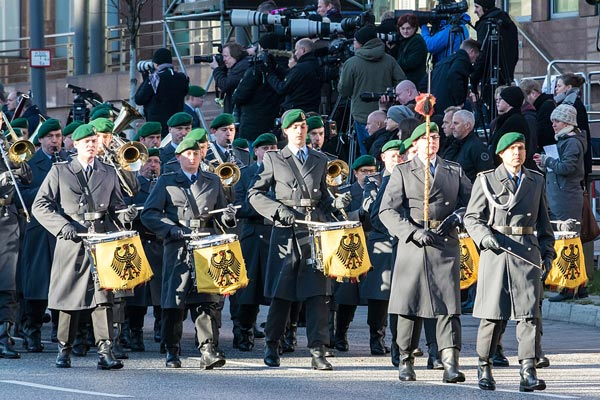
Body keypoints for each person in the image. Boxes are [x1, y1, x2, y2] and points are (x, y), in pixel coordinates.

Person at [32, 123, 138, 370]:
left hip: (100, 241)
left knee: (103, 298)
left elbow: (115, 208)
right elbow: (40, 205)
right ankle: (64, 349)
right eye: (86, 141)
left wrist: (126, 215)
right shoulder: (61, 171)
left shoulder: (109, 171)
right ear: (75, 144)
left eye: (94, 141)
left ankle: (105, 352)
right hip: (71, 240)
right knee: (69, 299)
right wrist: (62, 226)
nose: (91, 144)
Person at [248, 109, 345, 370]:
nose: (301, 131)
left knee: (318, 296)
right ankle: (272, 345)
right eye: (295, 127)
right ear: (286, 131)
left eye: (303, 126)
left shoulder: (320, 158)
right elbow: (255, 194)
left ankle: (318, 350)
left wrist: (337, 203)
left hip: (314, 231)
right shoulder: (275, 158)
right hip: (286, 232)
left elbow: (323, 196)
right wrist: (277, 211)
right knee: (282, 295)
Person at [379, 122, 472, 382]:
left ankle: (450, 362)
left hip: (444, 243)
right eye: (426, 138)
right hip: (415, 242)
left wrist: (459, 215)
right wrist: (411, 231)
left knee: (448, 307)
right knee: (409, 305)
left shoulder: (453, 170)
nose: (432, 141)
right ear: (415, 143)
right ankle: (406, 359)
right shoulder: (403, 171)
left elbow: (473, 202)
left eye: (435, 137)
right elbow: (387, 210)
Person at [464, 132, 555, 392]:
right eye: (512, 148)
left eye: (521, 148)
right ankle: (484, 365)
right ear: (501, 153)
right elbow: (472, 218)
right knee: (493, 315)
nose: (517, 153)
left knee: (529, 316)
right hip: (497, 252)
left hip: (526, 252)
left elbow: (544, 223)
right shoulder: (487, 180)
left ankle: (528, 370)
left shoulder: (535, 180)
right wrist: (484, 238)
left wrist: (548, 254)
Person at [141, 138, 237, 369]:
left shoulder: (213, 180)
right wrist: (171, 229)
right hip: (178, 246)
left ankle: (207, 350)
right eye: (187, 154)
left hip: (205, 246)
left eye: (196, 153)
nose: (192, 158)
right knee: (175, 301)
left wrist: (229, 216)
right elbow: (149, 214)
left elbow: (219, 215)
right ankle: (172, 350)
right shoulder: (166, 181)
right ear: (178, 157)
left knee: (206, 299)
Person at [19, 119, 69, 353]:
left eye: (58, 136)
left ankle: (62, 334)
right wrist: (47, 191)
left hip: (64, 229)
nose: (55, 141)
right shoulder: (30, 162)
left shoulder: (68, 161)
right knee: (37, 284)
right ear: (40, 140)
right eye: (50, 137)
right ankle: (32, 331)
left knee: (64, 283)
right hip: (38, 229)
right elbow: (21, 195)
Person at [534, 105, 587, 302]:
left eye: (556, 121)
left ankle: (568, 287)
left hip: (566, 198)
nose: (553, 125)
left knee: (567, 240)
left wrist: (547, 161)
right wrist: (545, 164)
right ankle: (579, 287)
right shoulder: (568, 141)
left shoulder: (572, 142)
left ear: (567, 122)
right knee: (571, 240)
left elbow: (567, 167)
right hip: (562, 196)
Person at [233, 133, 279, 351]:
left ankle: (281, 334)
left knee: (280, 287)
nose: (270, 150)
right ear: (256, 151)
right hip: (252, 234)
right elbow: (239, 206)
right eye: (265, 147)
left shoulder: (284, 172)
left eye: (273, 146)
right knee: (249, 288)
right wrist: (269, 206)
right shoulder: (245, 174)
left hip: (276, 234)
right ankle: (244, 330)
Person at [330, 155, 377, 352]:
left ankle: (378, 338)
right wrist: (358, 212)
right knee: (347, 295)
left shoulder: (381, 191)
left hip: (373, 244)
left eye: (372, 171)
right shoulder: (346, 193)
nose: (368, 175)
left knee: (377, 296)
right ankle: (340, 334)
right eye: (364, 171)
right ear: (356, 173)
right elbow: (336, 219)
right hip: (351, 247)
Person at [338, 25, 405, 155]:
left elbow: (344, 91)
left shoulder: (352, 63)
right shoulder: (389, 60)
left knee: (366, 155)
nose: (353, 43)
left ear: (362, 43)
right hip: (386, 116)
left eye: (355, 41)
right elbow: (401, 82)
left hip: (361, 115)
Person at [123, 147, 163, 352]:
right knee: (137, 296)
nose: (153, 166)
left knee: (160, 293)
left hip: (159, 244)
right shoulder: (134, 186)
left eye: (156, 162)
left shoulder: (164, 184)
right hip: (139, 243)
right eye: (149, 162)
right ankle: (134, 333)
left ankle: (162, 330)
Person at [0, 144, 32, 359]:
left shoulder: (6, 147)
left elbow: (28, 178)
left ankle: (3, 337)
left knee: (8, 282)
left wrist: (17, 163)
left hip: (7, 217)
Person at [470, 0, 519, 115]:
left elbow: (483, 54)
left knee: (495, 113)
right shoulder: (508, 23)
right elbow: (514, 53)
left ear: (485, 7)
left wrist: (474, 77)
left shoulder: (486, 24)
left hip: (491, 78)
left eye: (477, 7)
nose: (475, 11)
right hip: (506, 76)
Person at [232, 38, 282, 147]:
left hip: (253, 126)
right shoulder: (280, 69)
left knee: (251, 159)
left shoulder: (255, 70)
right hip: (271, 126)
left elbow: (238, 97)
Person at [134, 47, 189, 137]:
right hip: (176, 125)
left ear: (155, 64)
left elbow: (139, 99)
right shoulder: (182, 77)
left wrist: (147, 76)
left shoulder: (155, 78)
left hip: (157, 128)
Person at [265, 38, 322, 114]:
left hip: (296, 112)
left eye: (295, 50)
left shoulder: (300, 68)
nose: (294, 54)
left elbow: (282, 88)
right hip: (311, 109)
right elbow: (290, 76)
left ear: (302, 50)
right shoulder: (315, 65)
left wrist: (268, 74)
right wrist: (275, 66)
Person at [554, 73, 592, 178]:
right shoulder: (568, 103)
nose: (556, 89)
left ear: (569, 87)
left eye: (559, 86)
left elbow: (579, 130)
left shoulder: (572, 105)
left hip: (576, 158)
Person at [431, 39, 481, 117]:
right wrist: (460, 101)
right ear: (472, 52)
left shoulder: (444, 62)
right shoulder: (462, 60)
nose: (475, 61)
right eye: (476, 57)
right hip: (450, 106)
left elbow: (425, 81)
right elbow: (454, 74)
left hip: (435, 105)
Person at [489, 86, 535, 170]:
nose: (498, 102)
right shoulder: (507, 119)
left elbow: (509, 146)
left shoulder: (514, 122)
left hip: (509, 168)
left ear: (508, 102)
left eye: (501, 99)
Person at [442, 110, 493, 182]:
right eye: (452, 123)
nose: (451, 127)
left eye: (456, 123)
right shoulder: (453, 144)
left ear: (467, 125)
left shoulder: (476, 147)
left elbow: (487, 175)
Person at [210, 42, 251, 115]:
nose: (223, 60)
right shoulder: (239, 65)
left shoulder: (242, 67)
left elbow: (225, 85)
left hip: (240, 114)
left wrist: (216, 69)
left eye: (225, 56)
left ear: (234, 55)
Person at [519, 79, 556, 153]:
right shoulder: (544, 105)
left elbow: (545, 133)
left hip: (548, 150)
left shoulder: (546, 106)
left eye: (525, 97)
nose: (524, 101)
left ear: (533, 93)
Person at [393, 14, 427, 87]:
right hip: (408, 81)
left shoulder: (417, 41)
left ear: (414, 28)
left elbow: (411, 62)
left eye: (408, 28)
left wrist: (395, 64)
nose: (405, 31)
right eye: (402, 28)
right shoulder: (404, 40)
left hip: (414, 82)